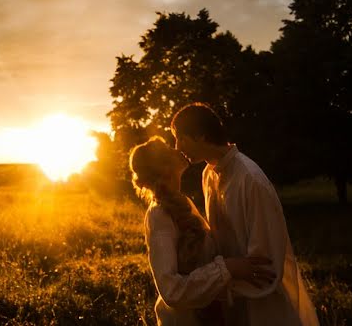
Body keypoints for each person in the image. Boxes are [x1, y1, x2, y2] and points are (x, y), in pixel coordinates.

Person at [171, 102, 320, 326]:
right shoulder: (208, 175)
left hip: (262, 305)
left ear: (200, 135)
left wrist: (218, 280)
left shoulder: (250, 179)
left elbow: (264, 263)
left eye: (180, 138)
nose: (177, 146)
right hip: (231, 299)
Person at [130, 136, 276, 326]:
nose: (177, 148)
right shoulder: (158, 216)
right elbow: (171, 291)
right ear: (164, 168)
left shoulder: (182, 203)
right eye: (168, 148)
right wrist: (228, 268)